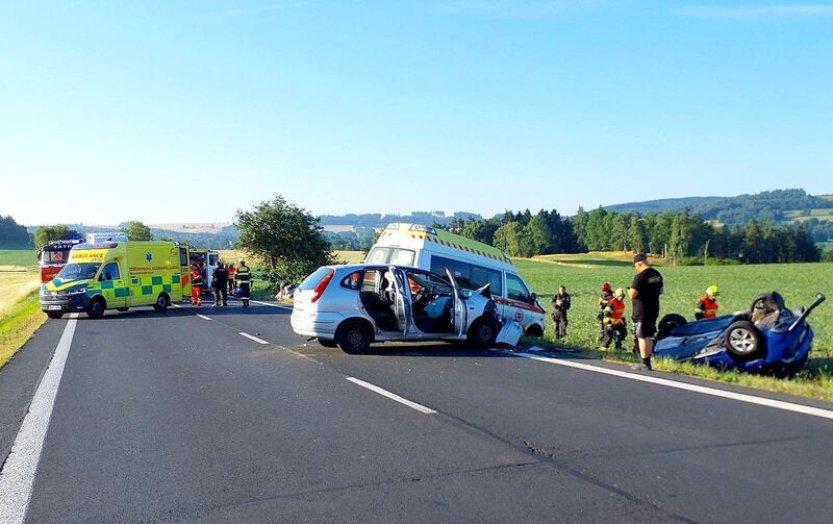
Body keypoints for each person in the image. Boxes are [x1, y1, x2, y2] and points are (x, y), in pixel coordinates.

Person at [628, 253, 664, 371]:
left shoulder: (640, 277)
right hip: (653, 308)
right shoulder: (656, 274)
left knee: (642, 336)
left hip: (642, 310)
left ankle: (644, 362)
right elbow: (661, 290)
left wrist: (629, 291)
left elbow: (632, 294)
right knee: (648, 335)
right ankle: (648, 361)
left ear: (638, 264)